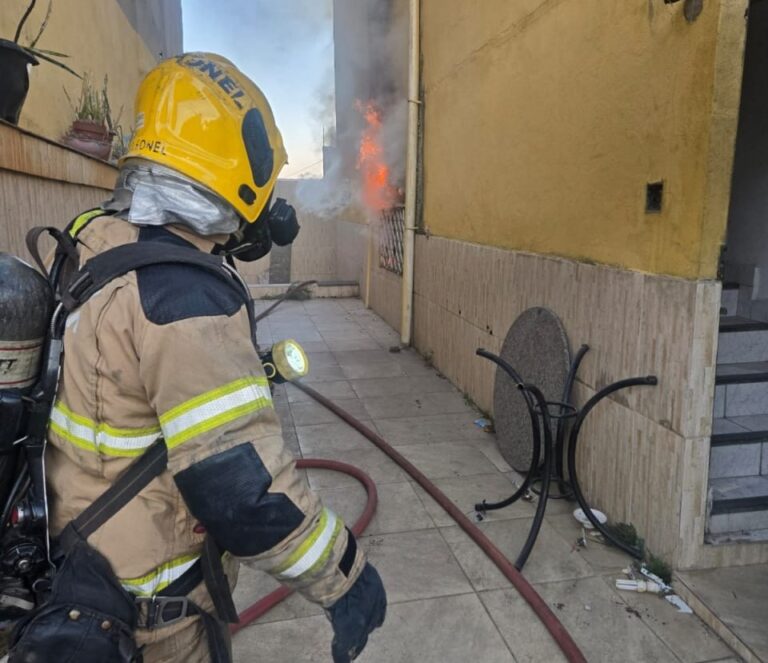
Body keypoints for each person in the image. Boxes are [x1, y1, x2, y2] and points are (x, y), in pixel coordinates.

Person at [39, 53, 386, 662]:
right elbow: (243, 492)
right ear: (237, 167)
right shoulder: (188, 301)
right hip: (151, 610)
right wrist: (345, 577)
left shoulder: (94, 235)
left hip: (73, 553)